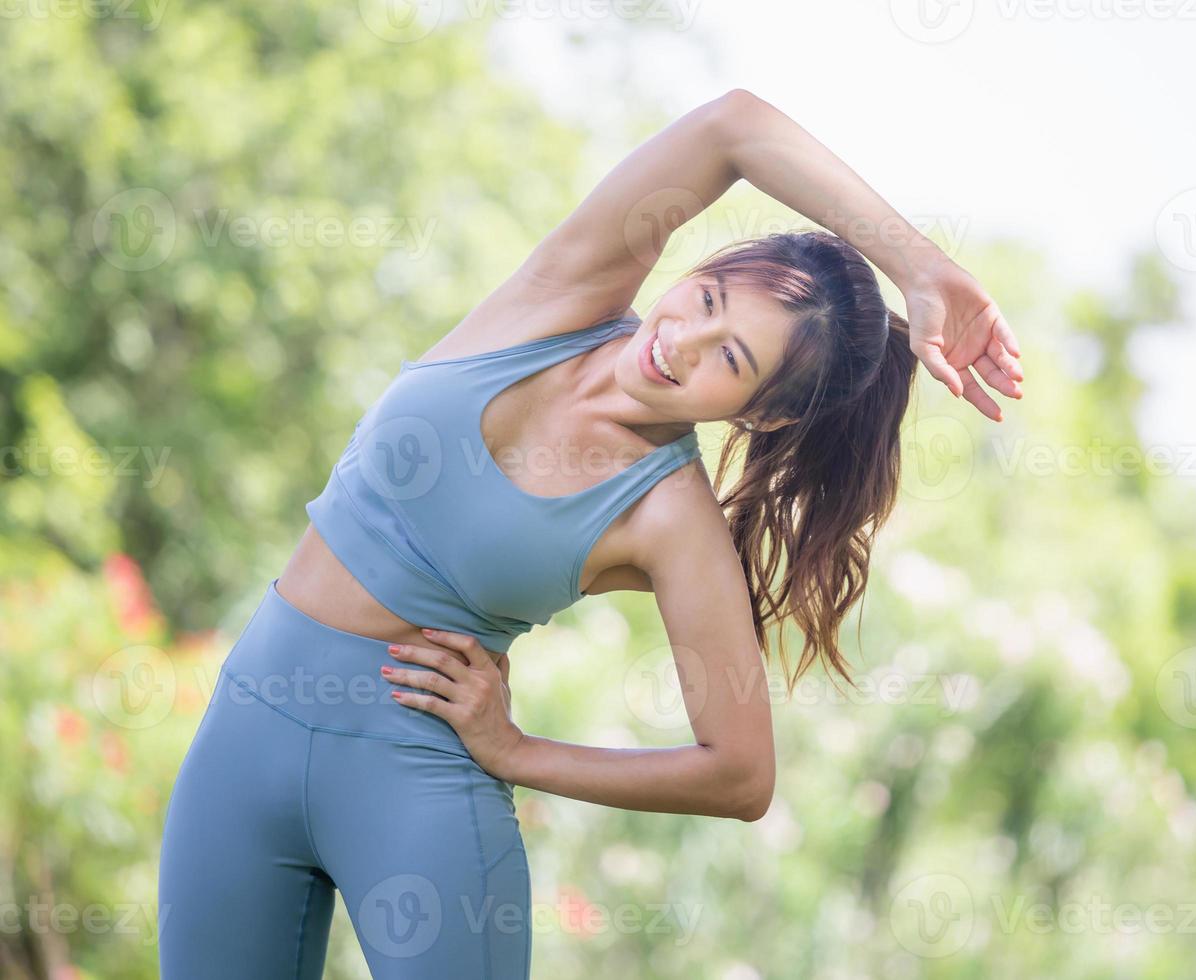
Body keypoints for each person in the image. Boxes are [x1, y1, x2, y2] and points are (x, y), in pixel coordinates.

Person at [157, 88, 1023, 979]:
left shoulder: (670, 518)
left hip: (415, 780)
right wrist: (918, 269)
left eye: (730, 359)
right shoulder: (558, 300)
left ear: (758, 416)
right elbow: (734, 126)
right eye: (710, 297)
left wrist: (519, 751)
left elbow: (740, 773)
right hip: (244, 730)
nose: (684, 340)